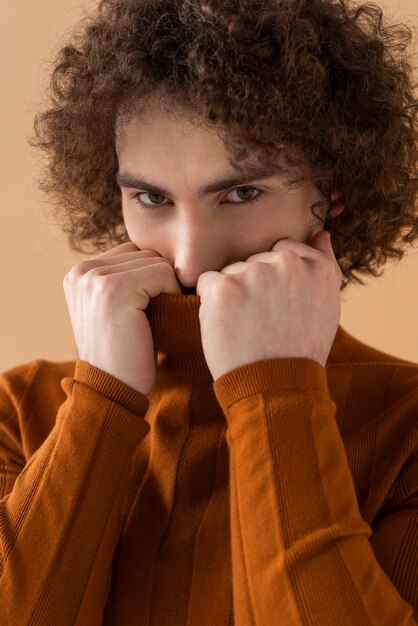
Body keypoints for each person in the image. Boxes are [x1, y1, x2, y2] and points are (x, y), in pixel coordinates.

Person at [0, 0, 417, 624]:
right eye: (150, 197)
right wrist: (103, 401)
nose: (191, 261)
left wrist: (277, 396)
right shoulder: (22, 412)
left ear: (334, 195)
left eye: (242, 193)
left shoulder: (406, 430)